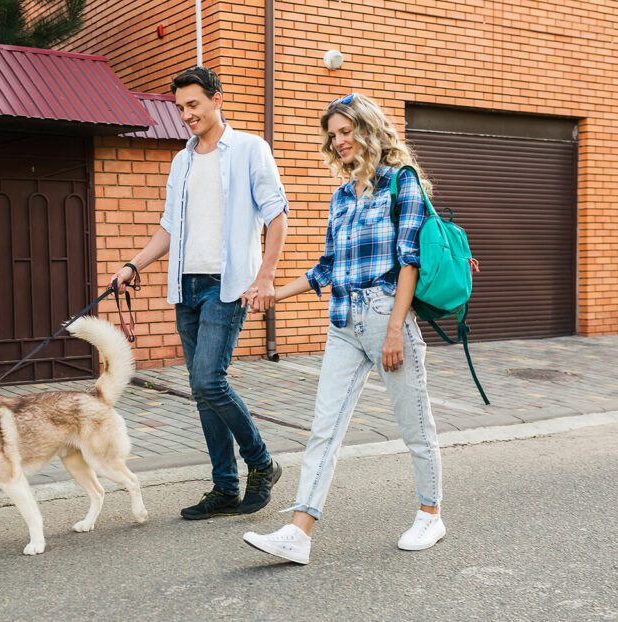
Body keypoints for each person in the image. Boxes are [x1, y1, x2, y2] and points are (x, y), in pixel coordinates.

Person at [242, 93, 445, 564]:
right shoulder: (341, 196)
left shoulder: (402, 183)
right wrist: (272, 291)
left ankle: (430, 513)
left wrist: (396, 328)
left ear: (368, 129)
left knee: (416, 425)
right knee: (324, 430)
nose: (338, 142)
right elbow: (327, 266)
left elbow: (409, 262)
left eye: (345, 132)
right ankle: (299, 532)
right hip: (342, 323)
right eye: (332, 136)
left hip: (385, 315)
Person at [111, 66, 289, 519]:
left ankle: (262, 463)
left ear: (216, 99)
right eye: (181, 108)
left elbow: (276, 214)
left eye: (194, 104)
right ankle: (225, 488)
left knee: (210, 379)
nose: (187, 114)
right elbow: (170, 226)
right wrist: (133, 266)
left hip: (226, 285)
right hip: (185, 284)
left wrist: (265, 276)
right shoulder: (182, 160)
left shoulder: (250, 149)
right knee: (200, 389)